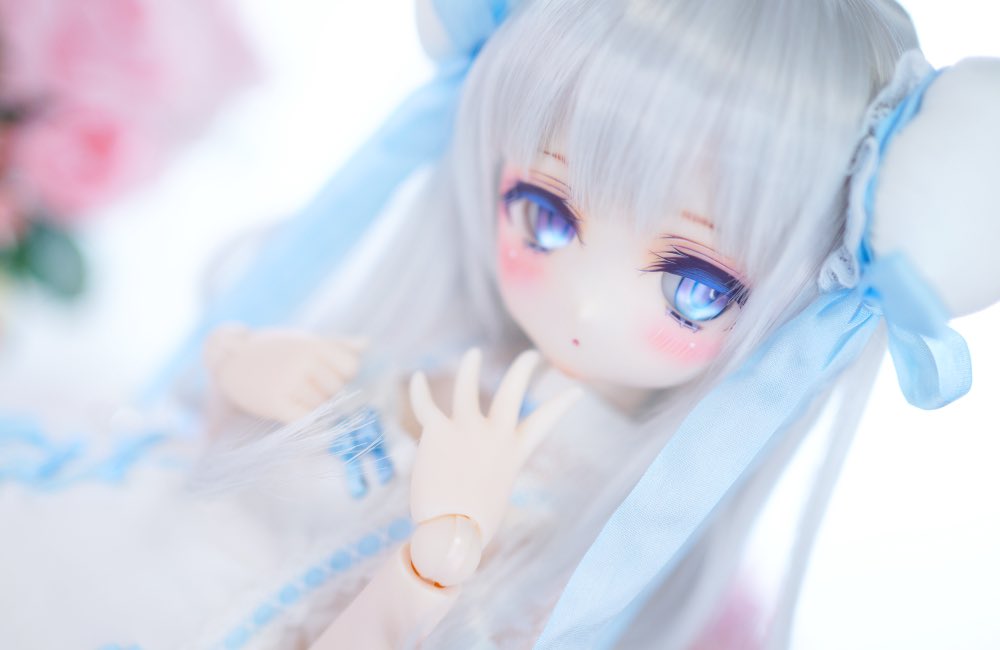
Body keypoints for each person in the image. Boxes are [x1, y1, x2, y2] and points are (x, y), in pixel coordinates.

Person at [3, 1, 997, 648]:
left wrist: (434, 558)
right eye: (546, 215)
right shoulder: (444, 362)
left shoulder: (598, 539)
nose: (587, 305)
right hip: (117, 561)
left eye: (696, 285)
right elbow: (224, 480)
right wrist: (243, 372)